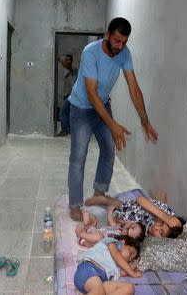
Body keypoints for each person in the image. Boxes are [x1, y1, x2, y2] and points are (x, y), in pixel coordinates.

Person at [66, 17, 158, 221]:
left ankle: (99, 194)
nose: (120, 46)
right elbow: (91, 93)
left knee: (109, 150)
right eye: (117, 40)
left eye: (124, 42)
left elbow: (134, 88)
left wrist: (144, 120)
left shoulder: (124, 53)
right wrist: (113, 125)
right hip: (81, 108)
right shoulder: (90, 52)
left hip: (103, 105)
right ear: (107, 35)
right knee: (78, 158)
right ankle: (74, 203)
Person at [84, 190, 186, 238]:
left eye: (161, 233)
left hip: (127, 222)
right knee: (120, 207)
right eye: (161, 224)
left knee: (114, 226)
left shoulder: (153, 241)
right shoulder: (167, 215)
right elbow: (140, 199)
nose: (156, 228)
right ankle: (107, 201)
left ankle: (109, 204)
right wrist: (164, 216)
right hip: (134, 207)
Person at [74, 235, 142, 294]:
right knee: (99, 292)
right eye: (131, 252)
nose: (130, 258)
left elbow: (124, 272)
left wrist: (135, 263)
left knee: (129, 288)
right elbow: (116, 256)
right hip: (89, 269)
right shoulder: (113, 243)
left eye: (131, 259)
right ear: (123, 242)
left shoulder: (117, 266)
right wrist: (132, 273)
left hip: (100, 282)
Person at [75, 208, 146, 248]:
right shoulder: (119, 228)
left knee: (99, 236)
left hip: (96, 243)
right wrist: (110, 210)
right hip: (94, 232)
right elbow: (111, 221)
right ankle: (86, 225)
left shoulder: (123, 242)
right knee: (95, 220)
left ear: (134, 239)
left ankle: (81, 234)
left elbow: (123, 235)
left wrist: (126, 227)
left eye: (133, 228)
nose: (131, 225)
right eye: (133, 225)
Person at [56, 54, 78, 136]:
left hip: (71, 95)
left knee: (62, 112)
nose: (67, 61)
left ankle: (64, 130)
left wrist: (60, 60)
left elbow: (68, 66)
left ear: (72, 61)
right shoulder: (66, 70)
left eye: (69, 59)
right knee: (68, 113)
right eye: (66, 59)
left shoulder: (73, 69)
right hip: (66, 94)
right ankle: (69, 129)